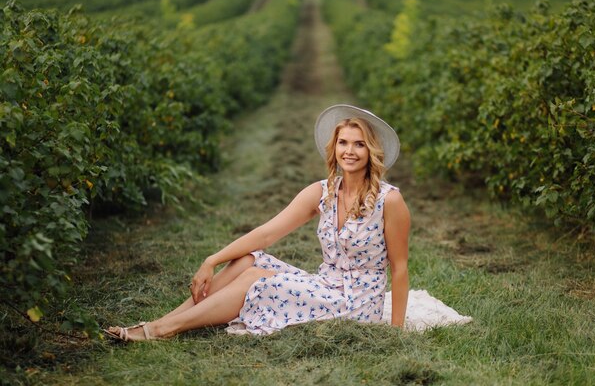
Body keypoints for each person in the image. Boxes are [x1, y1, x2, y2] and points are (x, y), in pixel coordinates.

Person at [105, 104, 410, 340]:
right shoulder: (323, 192)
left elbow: (399, 268)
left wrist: (395, 330)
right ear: (335, 148)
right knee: (251, 260)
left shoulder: (389, 201)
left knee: (257, 279)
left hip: (358, 303)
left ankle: (163, 330)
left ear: (371, 151)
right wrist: (212, 260)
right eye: (343, 142)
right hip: (325, 285)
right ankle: (164, 322)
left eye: (359, 144)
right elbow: (265, 234)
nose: (350, 151)